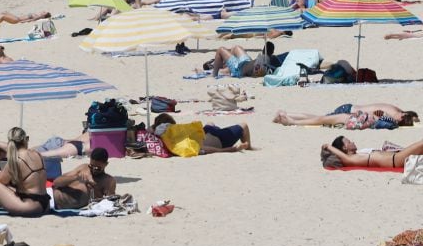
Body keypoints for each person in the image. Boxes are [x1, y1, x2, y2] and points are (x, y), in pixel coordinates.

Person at [152, 114, 253, 153]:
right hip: (211, 134)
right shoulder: (176, 131)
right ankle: (249, 148)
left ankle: (248, 147)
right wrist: (230, 149)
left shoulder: (173, 143)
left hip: (215, 137)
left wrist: (229, 149)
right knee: (244, 125)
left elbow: (205, 148)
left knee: (243, 126)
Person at [50, 148, 116, 209]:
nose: (94, 170)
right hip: (51, 195)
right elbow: (56, 182)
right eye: (91, 166)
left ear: (106, 164)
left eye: (97, 168)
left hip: (56, 205)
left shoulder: (108, 181)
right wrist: (76, 177)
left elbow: (110, 203)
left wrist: (95, 188)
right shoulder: (84, 168)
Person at [274, 104, 418, 128]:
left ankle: (287, 114)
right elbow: (377, 115)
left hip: (350, 109)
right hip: (349, 111)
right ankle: (288, 118)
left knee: (319, 117)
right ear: (404, 114)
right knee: (319, 119)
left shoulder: (394, 110)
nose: (400, 121)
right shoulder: (393, 113)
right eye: (403, 119)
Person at [320, 135, 423, 168]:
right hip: (395, 160)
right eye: (349, 142)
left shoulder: (357, 155)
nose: (352, 142)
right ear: (344, 148)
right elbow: (343, 156)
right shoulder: (350, 159)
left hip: (396, 157)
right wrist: (328, 146)